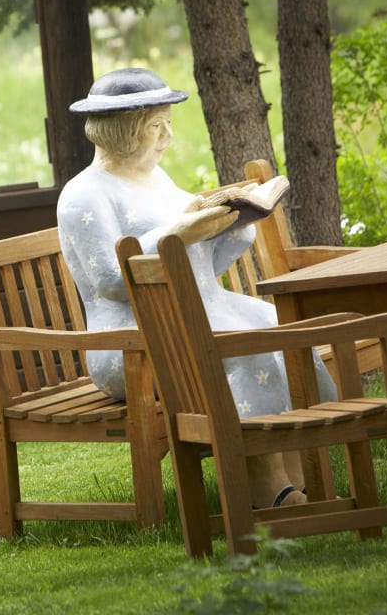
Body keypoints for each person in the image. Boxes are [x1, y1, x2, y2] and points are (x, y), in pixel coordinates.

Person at [57, 67, 336, 509]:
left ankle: (302, 476)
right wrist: (180, 232)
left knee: (275, 332)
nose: (167, 136)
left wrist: (233, 228)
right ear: (122, 131)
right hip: (134, 338)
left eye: (169, 122)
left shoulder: (156, 178)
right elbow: (112, 281)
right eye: (155, 126)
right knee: (237, 349)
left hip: (199, 311)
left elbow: (198, 267)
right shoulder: (83, 196)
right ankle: (266, 490)